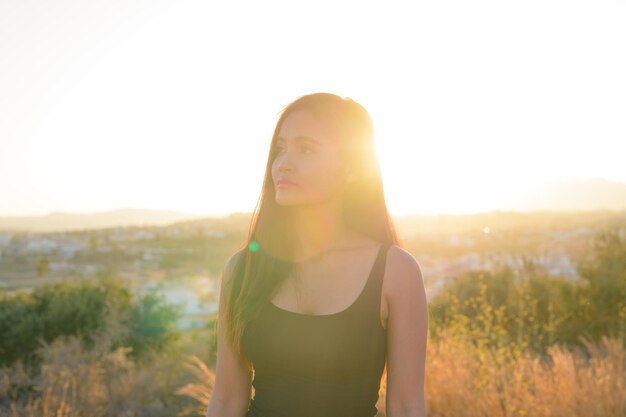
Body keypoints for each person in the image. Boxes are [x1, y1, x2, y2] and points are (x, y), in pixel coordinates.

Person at [205, 92, 428, 417]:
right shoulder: (243, 268)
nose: (283, 164)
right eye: (281, 149)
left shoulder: (395, 271)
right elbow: (226, 399)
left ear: (352, 169)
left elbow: (407, 407)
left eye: (306, 149)